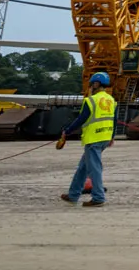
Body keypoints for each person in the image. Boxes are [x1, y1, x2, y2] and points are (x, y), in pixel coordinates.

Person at [57, 71, 117, 207]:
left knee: (94, 169)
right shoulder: (111, 100)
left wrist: (67, 131)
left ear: (96, 84)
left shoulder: (90, 100)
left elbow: (81, 119)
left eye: (91, 84)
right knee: (83, 167)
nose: (90, 87)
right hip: (105, 137)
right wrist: (112, 137)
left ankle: (98, 197)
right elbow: (114, 120)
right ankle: (73, 194)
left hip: (93, 139)